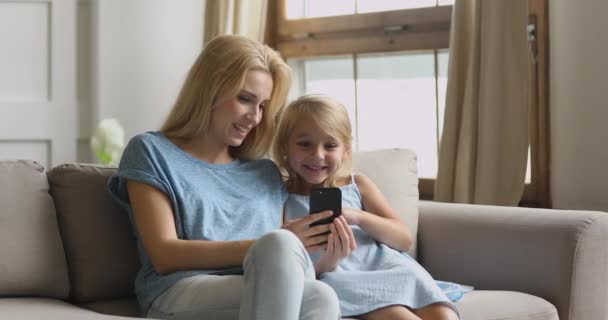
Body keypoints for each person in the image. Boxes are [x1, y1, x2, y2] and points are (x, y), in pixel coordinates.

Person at [107, 35, 340, 320]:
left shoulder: (264, 173)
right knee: (280, 244)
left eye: (263, 106)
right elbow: (164, 255)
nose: (254, 117)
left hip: (260, 288)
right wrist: (272, 243)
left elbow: (280, 266)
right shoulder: (151, 151)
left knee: (322, 295)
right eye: (245, 99)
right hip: (179, 291)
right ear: (209, 89)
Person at [274, 94, 461, 320]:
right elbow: (287, 263)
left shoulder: (357, 184)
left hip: (387, 268)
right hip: (338, 276)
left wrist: (358, 216)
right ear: (285, 146)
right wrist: (326, 263)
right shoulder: (281, 196)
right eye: (305, 144)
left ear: (345, 150)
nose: (318, 155)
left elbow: (403, 239)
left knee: (444, 316)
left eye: (330, 145)